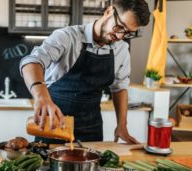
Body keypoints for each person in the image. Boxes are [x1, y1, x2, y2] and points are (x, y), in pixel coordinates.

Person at [20, 0, 150, 144]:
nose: (120, 36)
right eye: (120, 27)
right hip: (52, 125)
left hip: (92, 129)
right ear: (108, 12)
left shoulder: (121, 49)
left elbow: (119, 88)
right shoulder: (67, 37)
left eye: (127, 33)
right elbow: (32, 62)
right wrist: (41, 96)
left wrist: (122, 125)